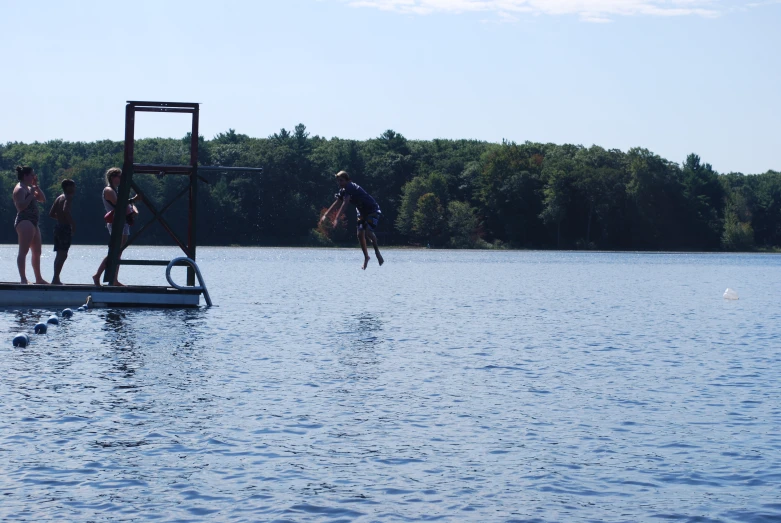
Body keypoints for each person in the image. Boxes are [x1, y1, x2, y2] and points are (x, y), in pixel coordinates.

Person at [321, 171, 385, 270]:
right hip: (361, 212)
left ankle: (377, 252)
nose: (339, 183)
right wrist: (326, 214)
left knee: (367, 231)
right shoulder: (343, 190)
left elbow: (345, 203)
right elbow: (337, 202)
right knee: (360, 234)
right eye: (338, 181)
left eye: (341, 181)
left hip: (372, 210)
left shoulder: (350, 187)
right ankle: (366, 257)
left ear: (347, 180)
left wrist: (337, 218)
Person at [92, 168, 140, 286]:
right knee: (115, 251)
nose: (121, 178)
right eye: (119, 176)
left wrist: (132, 206)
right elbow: (120, 205)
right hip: (116, 224)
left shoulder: (116, 190)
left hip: (122, 223)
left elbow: (126, 206)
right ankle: (98, 275)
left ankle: (114, 279)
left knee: (118, 252)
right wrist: (133, 200)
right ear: (113, 177)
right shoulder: (108, 190)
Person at [12, 165, 48, 284]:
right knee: (24, 251)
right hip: (24, 221)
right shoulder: (20, 189)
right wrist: (31, 195)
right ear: (25, 176)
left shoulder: (29, 188)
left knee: (37, 252)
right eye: (32, 174)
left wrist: (36, 187)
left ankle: (38, 278)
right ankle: (23, 279)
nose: (34, 176)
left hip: (33, 222)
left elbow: (43, 199)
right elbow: (21, 206)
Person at [48, 179, 77, 285]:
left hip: (58, 227)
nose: (75, 188)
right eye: (73, 186)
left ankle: (55, 278)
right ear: (68, 187)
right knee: (63, 254)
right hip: (64, 228)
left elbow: (51, 214)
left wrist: (60, 219)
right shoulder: (68, 197)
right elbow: (65, 210)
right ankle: (56, 279)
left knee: (59, 254)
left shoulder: (59, 197)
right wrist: (72, 224)